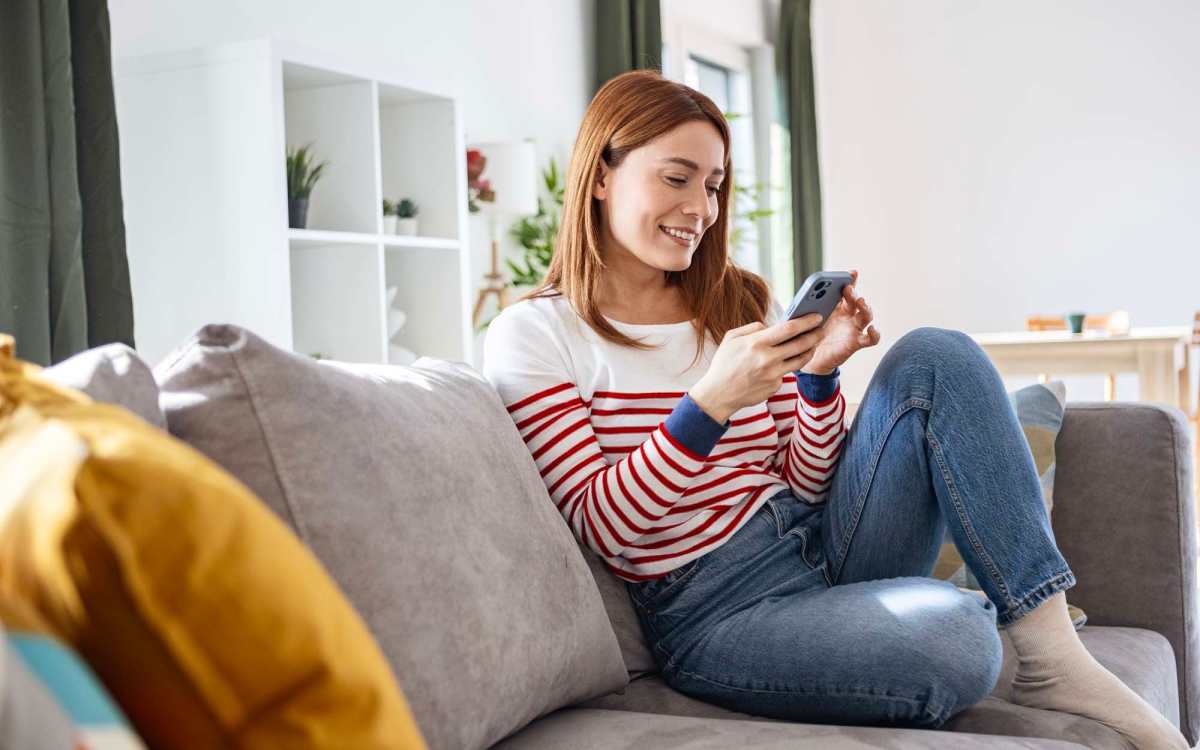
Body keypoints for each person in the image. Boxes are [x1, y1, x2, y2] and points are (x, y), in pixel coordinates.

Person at [481, 69, 1186, 749]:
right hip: (715, 611)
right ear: (601, 175)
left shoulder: (736, 302)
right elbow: (608, 530)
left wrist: (819, 378)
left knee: (936, 355)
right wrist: (709, 403)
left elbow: (808, 482)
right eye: (675, 178)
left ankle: (1053, 659)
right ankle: (988, 642)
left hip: (822, 541)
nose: (700, 208)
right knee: (958, 637)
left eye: (715, 184)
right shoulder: (537, 333)